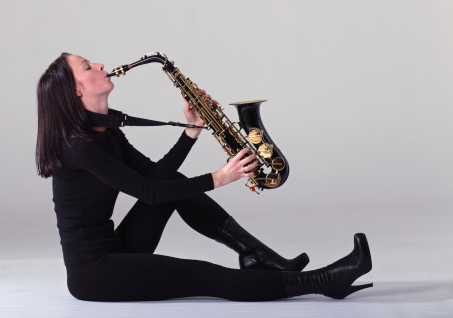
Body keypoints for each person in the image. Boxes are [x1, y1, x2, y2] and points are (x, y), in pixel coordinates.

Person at [35, 52, 373, 302]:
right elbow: (149, 192)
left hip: (117, 246)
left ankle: (254, 254)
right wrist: (220, 177)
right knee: (201, 274)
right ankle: (325, 280)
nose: (99, 64)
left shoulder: (104, 133)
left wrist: (193, 131)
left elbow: (156, 175)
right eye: (87, 66)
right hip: (94, 273)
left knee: (176, 184)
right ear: (76, 92)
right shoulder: (79, 146)